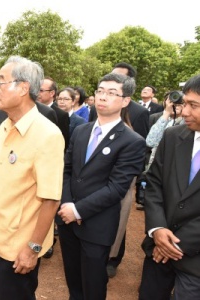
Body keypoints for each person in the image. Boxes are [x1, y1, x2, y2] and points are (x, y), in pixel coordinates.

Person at [0, 55, 64, 299]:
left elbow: (50, 199)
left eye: (2, 82)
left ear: (23, 88)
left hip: (18, 246)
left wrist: (33, 248)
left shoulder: (47, 134)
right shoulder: (5, 125)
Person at [57, 72, 146, 299]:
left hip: (97, 225)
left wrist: (78, 210)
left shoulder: (132, 141)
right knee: (74, 282)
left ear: (125, 101)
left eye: (112, 93)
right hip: (67, 220)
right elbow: (67, 170)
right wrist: (67, 204)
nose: (103, 97)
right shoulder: (80, 130)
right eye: (100, 91)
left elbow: (117, 188)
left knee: (93, 285)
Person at [139, 74, 200, 299]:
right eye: (185, 103)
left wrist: (172, 244)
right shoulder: (173, 136)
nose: (184, 112)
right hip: (157, 250)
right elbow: (154, 183)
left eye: (194, 106)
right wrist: (157, 229)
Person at [38, 77, 70, 150]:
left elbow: (63, 142)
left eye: (41, 90)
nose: (37, 93)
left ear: (52, 93)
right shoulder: (32, 110)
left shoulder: (61, 115)